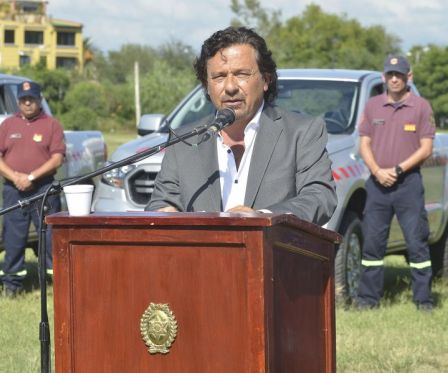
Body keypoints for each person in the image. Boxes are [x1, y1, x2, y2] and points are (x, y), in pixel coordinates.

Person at [145, 27, 337, 226]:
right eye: (219, 77)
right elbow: (160, 202)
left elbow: (320, 198)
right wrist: (164, 214)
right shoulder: (184, 139)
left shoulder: (301, 132)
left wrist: (263, 217)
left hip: (274, 253)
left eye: (242, 74)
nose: (230, 87)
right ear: (207, 86)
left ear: (266, 79)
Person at [355, 55, 436, 311]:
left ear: (408, 77)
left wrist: (398, 169)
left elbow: (426, 148)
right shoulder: (372, 106)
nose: (394, 79)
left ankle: (423, 300)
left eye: (399, 75)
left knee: (416, 242)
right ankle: (368, 300)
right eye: (390, 74)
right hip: (377, 185)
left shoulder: (421, 107)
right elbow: (364, 143)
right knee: (372, 244)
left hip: (408, 184)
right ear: (383, 77)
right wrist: (378, 170)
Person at [0, 81, 65, 296]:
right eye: (23, 99)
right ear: (18, 101)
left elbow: (57, 158)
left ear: (39, 100)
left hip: (43, 189)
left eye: (32, 99)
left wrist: (32, 176)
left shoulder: (51, 125)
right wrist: (15, 177)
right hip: (14, 190)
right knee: (13, 238)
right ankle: (12, 285)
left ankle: (55, 283)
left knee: (50, 237)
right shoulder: (7, 125)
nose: (28, 103)